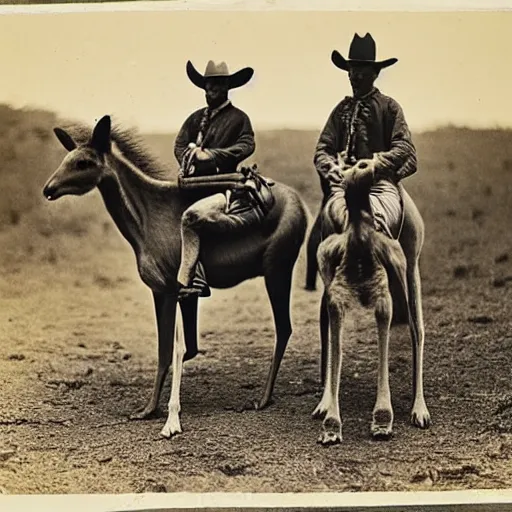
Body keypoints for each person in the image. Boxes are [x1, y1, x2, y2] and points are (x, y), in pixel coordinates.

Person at [174, 60, 271, 299]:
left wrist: (212, 156)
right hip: (192, 186)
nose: (210, 90)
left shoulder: (239, 119)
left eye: (216, 85)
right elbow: (179, 145)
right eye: (207, 86)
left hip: (222, 187)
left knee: (191, 218)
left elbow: (247, 145)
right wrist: (189, 158)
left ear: (227, 87)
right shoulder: (195, 119)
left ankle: (192, 280)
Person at [313, 32, 417, 243]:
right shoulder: (340, 110)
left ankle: (390, 267)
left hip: (379, 183)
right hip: (343, 181)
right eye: (352, 70)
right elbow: (323, 149)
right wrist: (331, 168)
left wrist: (375, 165)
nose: (356, 76)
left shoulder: (390, 107)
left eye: (362, 70)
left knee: (382, 224)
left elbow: (404, 147)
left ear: (375, 74)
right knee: (325, 231)